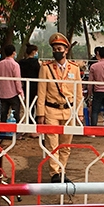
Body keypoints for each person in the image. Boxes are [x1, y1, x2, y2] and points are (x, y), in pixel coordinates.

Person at [36, 33, 83, 182]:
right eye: (55, 48)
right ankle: (55, 174)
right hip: (51, 110)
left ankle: (62, 171)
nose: (57, 51)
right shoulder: (46, 68)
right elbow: (41, 91)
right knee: (52, 144)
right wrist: (40, 114)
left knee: (66, 145)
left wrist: (79, 113)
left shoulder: (74, 68)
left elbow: (78, 92)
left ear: (66, 50)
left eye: (60, 48)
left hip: (68, 111)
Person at [0, 44, 23, 124]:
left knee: (3, 113)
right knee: (15, 113)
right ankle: (18, 131)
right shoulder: (15, 65)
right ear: (14, 53)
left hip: (2, 93)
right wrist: (20, 91)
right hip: (13, 93)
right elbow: (17, 80)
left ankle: (3, 130)